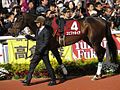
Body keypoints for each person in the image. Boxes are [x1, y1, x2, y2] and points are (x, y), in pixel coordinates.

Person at [22, 16, 67, 86]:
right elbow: (37, 38)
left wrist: (39, 50)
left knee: (46, 66)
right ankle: (28, 80)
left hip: (42, 52)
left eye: (37, 22)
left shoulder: (46, 31)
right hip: (39, 52)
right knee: (33, 65)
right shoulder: (38, 30)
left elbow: (45, 43)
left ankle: (52, 80)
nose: (36, 24)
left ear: (41, 23)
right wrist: (30, 37)